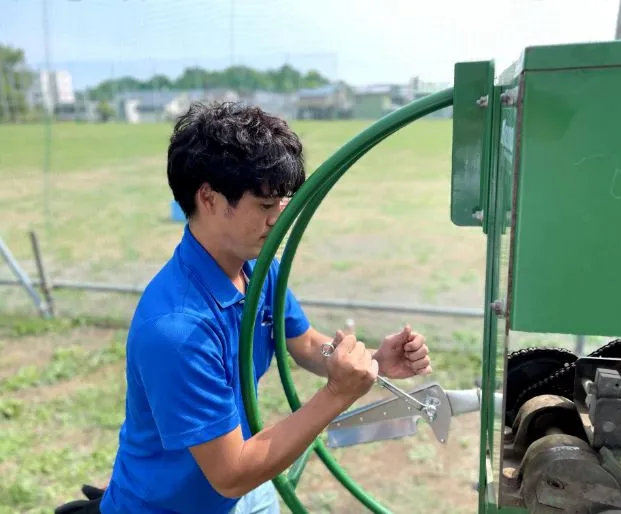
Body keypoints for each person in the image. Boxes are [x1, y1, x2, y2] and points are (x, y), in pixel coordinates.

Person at [54, 101, 432, 514]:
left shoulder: (255, 269)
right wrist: (338, 393)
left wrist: (371, 360)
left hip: (246, 487)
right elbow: (231, 472)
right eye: (266, 207)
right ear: (210, 199)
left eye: (283, 204)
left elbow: (303, 341)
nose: (280, 220)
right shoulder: (178, 329)